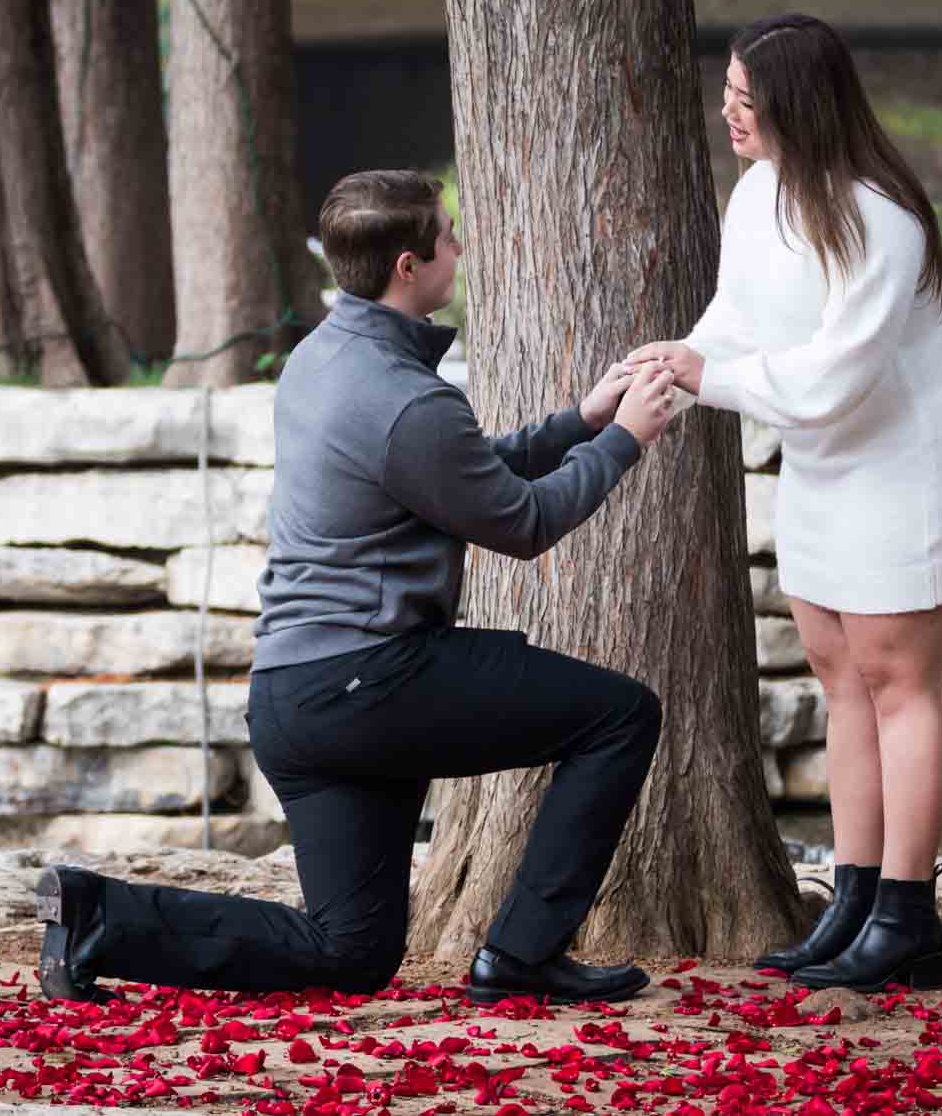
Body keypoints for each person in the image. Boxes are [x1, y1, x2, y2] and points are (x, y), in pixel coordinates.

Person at [35, 169, 678, 1006]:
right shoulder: (407, 399)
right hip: (373, 681)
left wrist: (578, 424)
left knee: (350, 951)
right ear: (409, 266)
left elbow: (456, 476)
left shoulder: (319, 359)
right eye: (448, 234)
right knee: (620, 715)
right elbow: (521, 524)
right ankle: (521, 954)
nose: (460, 244)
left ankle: (97, 917)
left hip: (294, 698)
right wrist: (625, 440)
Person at [627, 14, 942, 992]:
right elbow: (734, 320)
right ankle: (854, 898)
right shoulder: (756, 195)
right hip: (824, 462)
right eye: (729, 93)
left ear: (799, 101)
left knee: (898, 681)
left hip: (902, 465)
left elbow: (835, 372)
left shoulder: (880, 214)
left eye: (745, 97)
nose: (727, 110)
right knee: (840, 678)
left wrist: (710, 377)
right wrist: (677, 362)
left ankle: (908, 920)